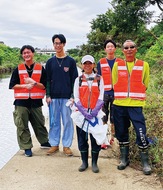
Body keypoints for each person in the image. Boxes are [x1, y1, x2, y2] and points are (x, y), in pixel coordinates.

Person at [112, 39, 152, 175]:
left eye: (132, 47)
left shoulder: (144, 65)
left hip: (136, 105)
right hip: (120, 105)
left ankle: (145, 162)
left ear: (136, 49)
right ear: (123, 51)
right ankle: (124, 159)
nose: (129, 49)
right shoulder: (117, 66)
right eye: (126, 47)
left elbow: (145, 83)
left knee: (141, 131)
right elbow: (114, 82)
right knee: (122, 132)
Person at [9, 45, 51, 157]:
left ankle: (44, 142)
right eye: (24, 53)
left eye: (28, 52)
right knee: (22, 125)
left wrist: (34, 83)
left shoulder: (41, 68)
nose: (26, 55)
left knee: (39, 123)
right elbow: (12, 85)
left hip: (36, 102)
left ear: (33, 53)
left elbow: (44, 86)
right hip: (21, 102)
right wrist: (24, 86)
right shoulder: (18, 69)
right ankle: (27, 147)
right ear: (22, 55)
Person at [45, 34, 78, 156]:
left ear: (64, 44)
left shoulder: (71, 61)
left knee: (68, 121)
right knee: (54, 121)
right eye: (55, 43)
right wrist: (47, 95)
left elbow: (75, 80)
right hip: (53, 97)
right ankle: (54, 144)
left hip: (67, 97)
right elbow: (47, 80)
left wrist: (73, 96)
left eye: (59, 43)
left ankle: (67, 145)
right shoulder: (50, 62)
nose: (57, 45)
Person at [73, 55, 105, 173]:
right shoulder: (78, 80)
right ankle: (84, 162)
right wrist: (83, 111)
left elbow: (101, 95)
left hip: (96, 114)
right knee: (82, 139)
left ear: (93, 65)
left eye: (89, 63)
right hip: (82, 115)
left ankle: (94, 163)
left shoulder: (100, 79)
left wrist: (96, 109)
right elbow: (76, 97)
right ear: (82, 65)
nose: (87, 65)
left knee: (95, 138)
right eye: (85, 63)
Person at [97, 39, 119, 149]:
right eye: (108, 46)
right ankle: (104, 140)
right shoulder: (100, 62)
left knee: (115, 118)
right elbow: (98, 79)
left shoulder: (120, 62)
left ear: (115, 49)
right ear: (105, 49)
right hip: (104, 93)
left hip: (116, 93)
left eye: (112, 46)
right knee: (103, 117)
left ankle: (113, 139)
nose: (110, 48)